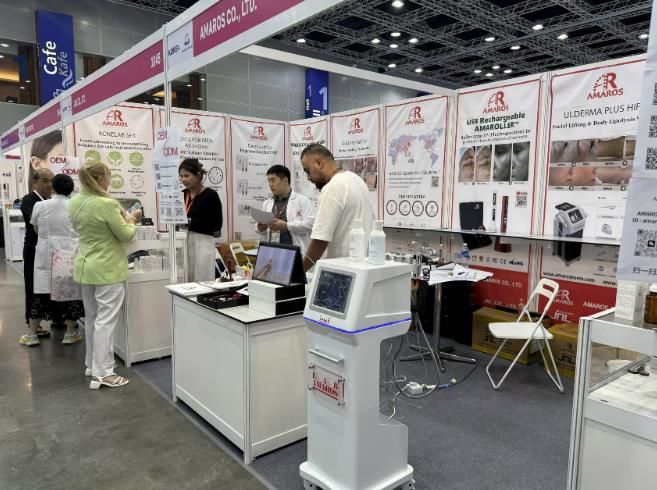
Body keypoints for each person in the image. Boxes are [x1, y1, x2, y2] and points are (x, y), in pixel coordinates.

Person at [70, 161, 142, 390]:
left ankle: (92, 364)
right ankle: (103, 373)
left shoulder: (75, 201)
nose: (109, 181)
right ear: (101, 178)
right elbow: (126, 235)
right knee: (105, 321)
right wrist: (132, 219)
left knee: (92, 318)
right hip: (107, 269)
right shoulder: (106, 204)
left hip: (86, 266)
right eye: (108, 177)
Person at [21, 174, 84, 346]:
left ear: (54, 187)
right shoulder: (76, 206)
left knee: (41, 293)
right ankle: (70, 333)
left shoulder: (40, 205)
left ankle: (31, 334)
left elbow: (35, 227)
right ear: (71, 189)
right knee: (69, 294)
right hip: (68, 255)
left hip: (46, 254)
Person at [299, 144, 374, 272]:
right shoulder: (357, 180)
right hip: (360, 268)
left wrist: (298, 272)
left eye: (307, 171)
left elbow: (319, 241)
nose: (308, 178)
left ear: (319, 163)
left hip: (339, 272)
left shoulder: (333, 187)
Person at [19, 168, 54, 345]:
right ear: (35, 182)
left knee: (52, 284)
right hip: (33, 250)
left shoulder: (50, 200)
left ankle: (57, 318)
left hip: (50, 249)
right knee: (33, 286)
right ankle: (33, 324)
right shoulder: (29, 200)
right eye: (45, 180)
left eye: (51, 181)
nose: (49, 184)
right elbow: (37, 222)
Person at [255, 165, 315, 255]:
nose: (270, 184)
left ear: (285, 181)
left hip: (293, 252)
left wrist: (287, 226)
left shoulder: (302, 200)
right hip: (272, 252)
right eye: (269, 181)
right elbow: (260, 231)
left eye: (273, 180)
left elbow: (311, 223)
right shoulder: (267, 203)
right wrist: (260, 227)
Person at [179, 158, 223, 282]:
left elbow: (216, 225)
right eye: (181, 176)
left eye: (187, 176)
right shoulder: (182, 194)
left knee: (202, 279)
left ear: (198, 175)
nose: (183, 179)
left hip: (203, 243)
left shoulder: (211, 195)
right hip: (184, 241)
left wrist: (190, 222)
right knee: (185, 279)